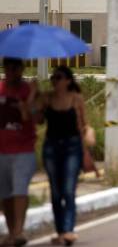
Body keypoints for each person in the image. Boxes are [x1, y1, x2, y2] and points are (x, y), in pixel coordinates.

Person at [37, 66, 89, 245]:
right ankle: (60, 231)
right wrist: (34, 96)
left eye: (58, 77)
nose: (55, 81)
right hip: (51, 147)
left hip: (72, 147)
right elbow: (38, 120)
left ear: (68, 80)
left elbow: (83, 126)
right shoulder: (47, 98)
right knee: (56, 192)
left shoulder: (76, 99)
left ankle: (68, 230)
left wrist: (86, 152)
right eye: (53, 78)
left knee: (68, 190)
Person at [0, 58, 38, 247]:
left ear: (22, 69)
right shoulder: (0, 89)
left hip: (23, 149)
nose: (12, 71)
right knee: (5, 194)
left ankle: (18, 231)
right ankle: (10, 230)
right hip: (2, 150)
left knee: (19, 189)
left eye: (16, 68)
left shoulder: (28, 90)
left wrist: (29, 100)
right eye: (8, 67)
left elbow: (33, 118)